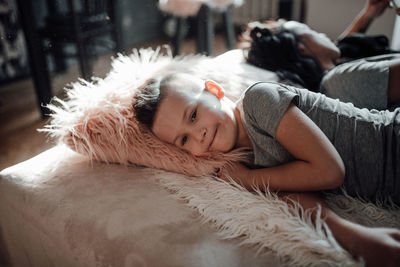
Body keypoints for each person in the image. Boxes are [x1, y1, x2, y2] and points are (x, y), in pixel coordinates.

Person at [132, 72, 400, 266]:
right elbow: (291, 191)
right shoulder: (238, 160)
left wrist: (250, 179)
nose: (198, 134)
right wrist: (359, 238)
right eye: (183, 140)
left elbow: (330, 171)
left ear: (214, 90)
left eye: (192, 115)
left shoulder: (258, 102)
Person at [244, 0, 400, 110]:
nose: (324, 34)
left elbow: (339, 46)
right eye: (313, 32)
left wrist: (368, 14)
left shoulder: (336, 72)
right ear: (302, 48)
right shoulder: (340, 81)